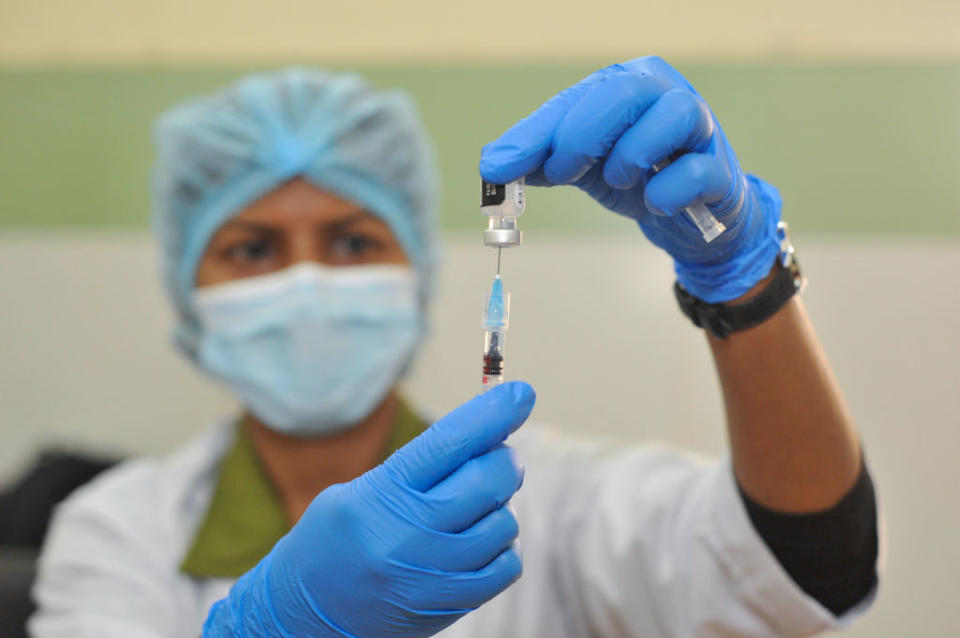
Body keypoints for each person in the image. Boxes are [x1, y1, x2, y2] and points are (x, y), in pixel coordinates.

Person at [29, 57, 880, 638]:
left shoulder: (552, 505)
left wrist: (743, 279)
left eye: (355, 241)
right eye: (251, 249)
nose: (309, 283)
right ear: (190, 287)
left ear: (417, 269)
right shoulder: (120, 531)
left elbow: (805, 567)